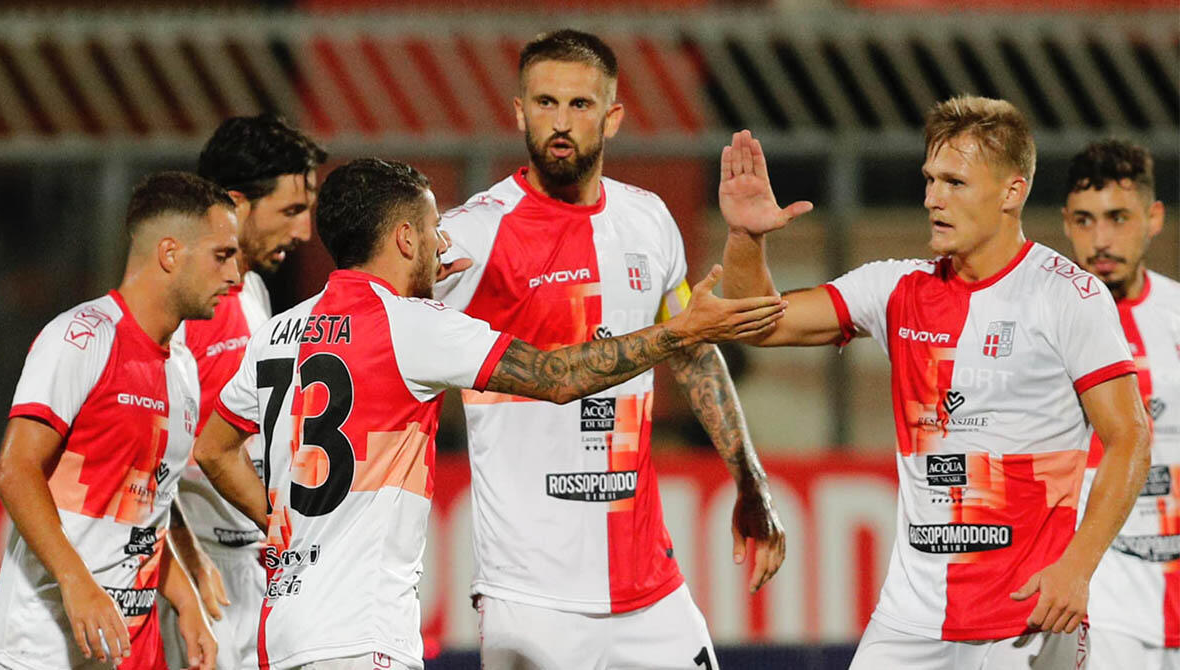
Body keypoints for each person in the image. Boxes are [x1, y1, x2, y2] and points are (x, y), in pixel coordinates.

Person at [190, 158, 785, 670]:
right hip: (363, 633)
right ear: (403, 239)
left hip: (282, 627)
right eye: (430, 232)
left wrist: (277, 520)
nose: (441, 245)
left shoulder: (276, 333)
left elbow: (214, 448)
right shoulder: (413, 327)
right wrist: (679, 331)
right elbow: (560, 377)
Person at [719, 97, 1151, 668]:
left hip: (1026, 619)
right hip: (910, 620)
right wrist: (748, 237)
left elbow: (1130, 438)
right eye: (929, 180)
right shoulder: (895, 289)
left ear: (1011, 192)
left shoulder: (1069, 296)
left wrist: (1077, 567)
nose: (932, 199)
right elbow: (762, 327)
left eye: (954, 182)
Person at [432, 29, 784, 669]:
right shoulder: (473, 236)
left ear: (613, 116)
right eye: (544, 103)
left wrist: (749, 477)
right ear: (518, 112)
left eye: (580, 105)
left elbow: (694, 352)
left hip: (651, 591)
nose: (559, 123)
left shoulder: (647, 220)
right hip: (532, 598)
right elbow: (382, 324)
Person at [0, 172, 240, 670]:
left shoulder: (183, 369)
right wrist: (78, 582)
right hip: (44, 649)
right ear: (170, 253)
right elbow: (15, 471)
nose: (234, 276)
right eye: (222, 256)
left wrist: (184, 600)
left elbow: (145, 514)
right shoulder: (82, 338)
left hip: (131, 652)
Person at [163, 114, 326, 670]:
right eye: (290, 211)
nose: (304, 232)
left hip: (248, 567)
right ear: (235, 204)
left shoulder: (251, 287)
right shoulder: (185, 307)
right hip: (205, 573)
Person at [1061, 139, 1179, 669]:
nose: (1101, 239)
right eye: (1085, 220)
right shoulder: (1045, 325)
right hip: (1100, 593)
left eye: (1118, 218)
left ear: (1153, 218)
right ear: (1066, 222)